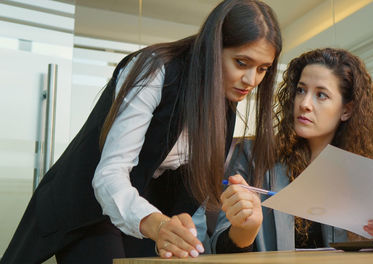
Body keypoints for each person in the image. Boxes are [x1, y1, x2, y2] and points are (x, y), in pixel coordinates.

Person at [0, 0, 281, 263]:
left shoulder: (225, 105)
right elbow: (110, 175)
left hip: (140, 213)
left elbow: (177, 190)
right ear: (211, 47)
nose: (251, 80)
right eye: (242, 63)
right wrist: (157, 224)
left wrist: (172, 225)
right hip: (87, 205)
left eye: (263, 69)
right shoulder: (154, 69)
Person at [211, 48, 373, 252]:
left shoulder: (370, 175)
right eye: (301, 90)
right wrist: (245, 230)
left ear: (346, 110)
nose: (304, 104)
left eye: (321, 95)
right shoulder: (252, 154)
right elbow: (218, 247)